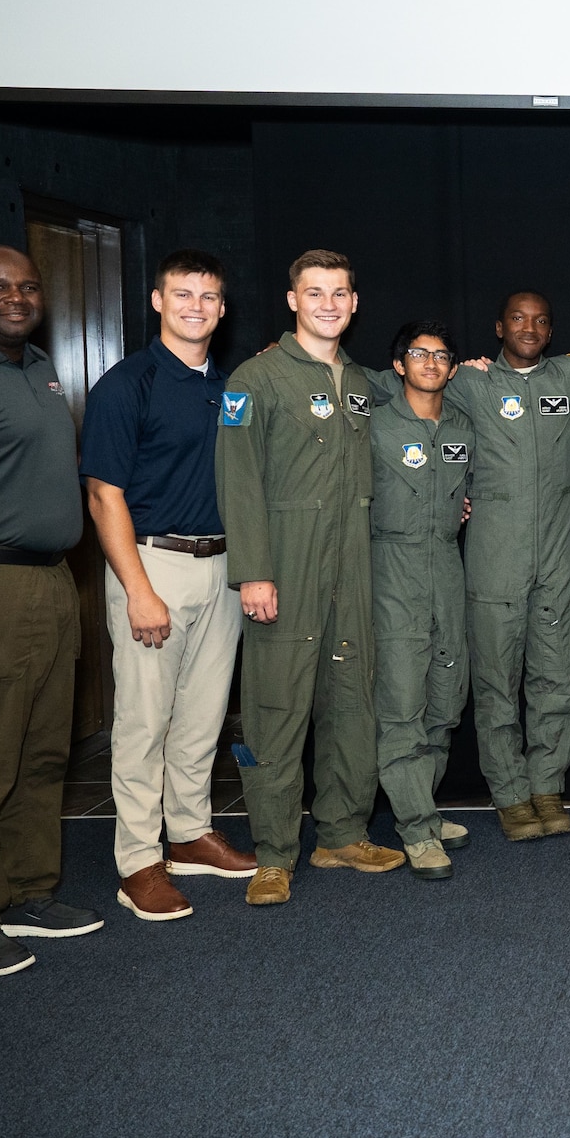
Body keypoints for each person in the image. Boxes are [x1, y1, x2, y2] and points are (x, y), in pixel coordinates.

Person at [373, 292, 570, 841]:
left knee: (558, 675)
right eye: (517, 319)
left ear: (551, 331)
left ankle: (547, 788)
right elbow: (387, 382)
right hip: (492, 558)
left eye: (540, 321)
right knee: (495, 682)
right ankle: (508, 794)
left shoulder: (569, 379)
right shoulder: (467, 382)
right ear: (498, 328)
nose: (529, 328)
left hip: (558, 556)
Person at [217, 249, 402, 905]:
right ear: (291, 300)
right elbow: (238, 483)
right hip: (285, 564)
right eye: (315, 292)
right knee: (275, 711)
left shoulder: (359, 381)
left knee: (353, 702)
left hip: (352, 565)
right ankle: (272, 853)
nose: (328, 303)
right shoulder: (255, 378)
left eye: (340, 292)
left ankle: (342, 832)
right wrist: (254, 574)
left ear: (355, 303)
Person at [82, 249, 254, 923]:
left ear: (221, 307)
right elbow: (103, 493)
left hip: (222, 569)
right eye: (183, 294)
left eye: (208, 297)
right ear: (158, 301)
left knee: (203, 719)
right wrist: (138, 589)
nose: (196, 306)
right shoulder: (127, 384)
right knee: (143, 723)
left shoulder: (228, 388)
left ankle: (188, 833)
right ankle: (137, 861)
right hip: (154, 565)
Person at [0, 246, 103, 977]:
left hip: (50, 582)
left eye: (27, 286)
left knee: (43, 751)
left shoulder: (36, 364)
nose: (15, 296)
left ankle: (27, 889)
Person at [369, 322, 474, 880]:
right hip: (393, 570)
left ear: (453, 369)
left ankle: (425, 811)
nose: (430, 362)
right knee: (402, 705)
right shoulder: (376, 425)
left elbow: (468, 487)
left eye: (441, 355)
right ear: (399, 365)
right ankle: (414, 828)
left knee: (444, 699)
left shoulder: (462, 427)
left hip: (447, 568)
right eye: (418, 353)